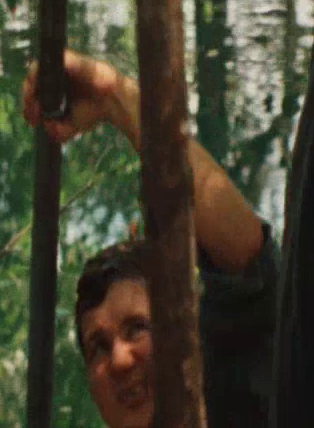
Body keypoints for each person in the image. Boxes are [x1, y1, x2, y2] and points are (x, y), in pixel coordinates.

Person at [23, 51, 280, 428]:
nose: (119, 360)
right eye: (98, 348)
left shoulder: (237, 407)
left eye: (137, 328)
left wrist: (114, 96)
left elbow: (245, 256)